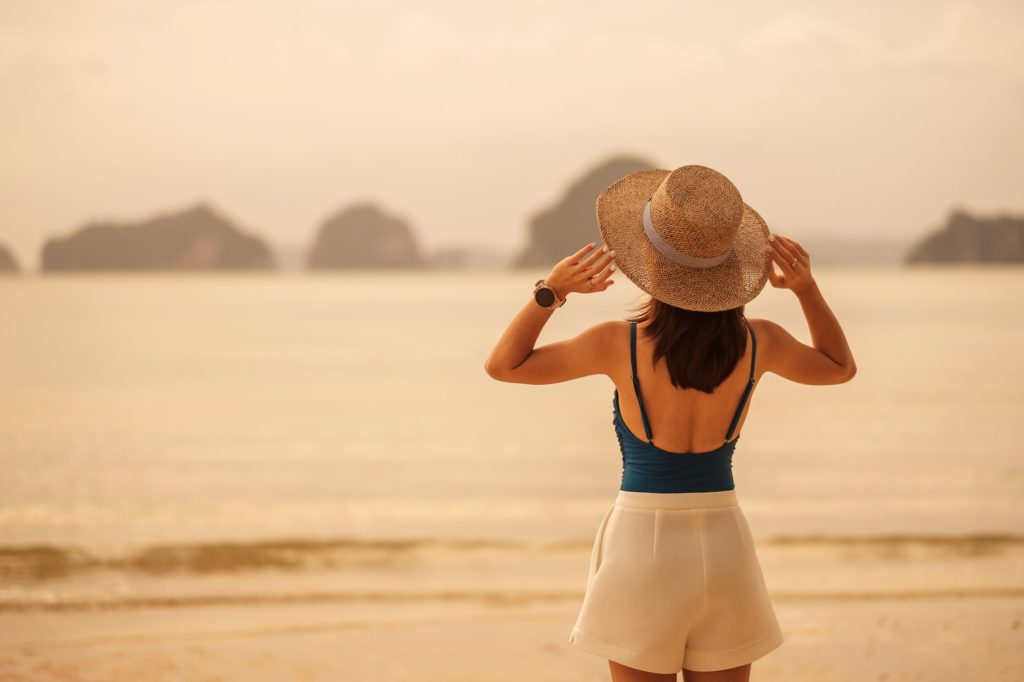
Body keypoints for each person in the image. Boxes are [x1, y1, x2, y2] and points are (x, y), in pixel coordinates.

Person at [484, 164, 856, 682]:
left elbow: (504, 366)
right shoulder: (760, 342)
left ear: (649, 265)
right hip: (725, 542)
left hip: (642, 545)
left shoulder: (618, 344)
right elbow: (840, 368)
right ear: (731, 273)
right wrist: (806, 289)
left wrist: (551, 291)